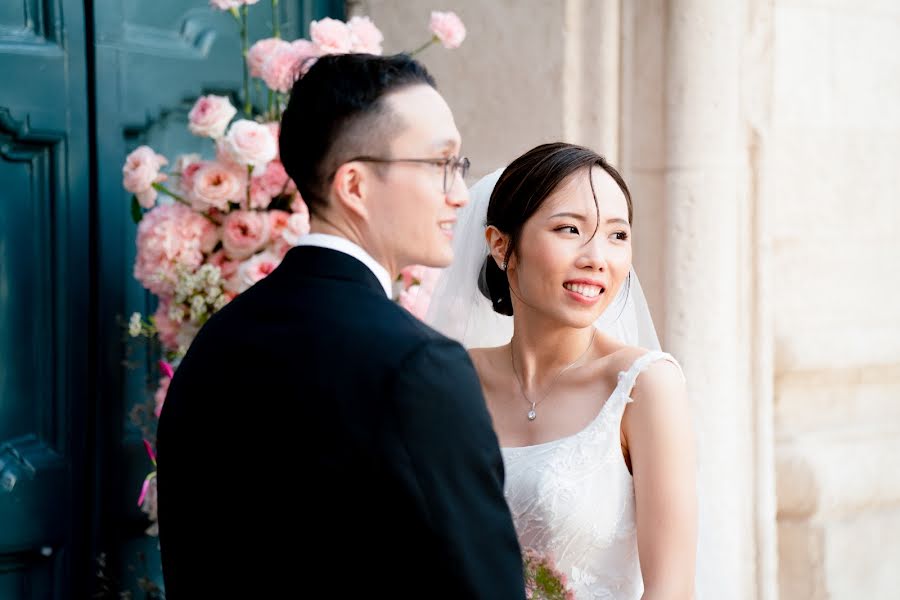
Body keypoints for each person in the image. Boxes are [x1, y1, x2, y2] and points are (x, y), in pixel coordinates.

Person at [156, 53, 525, 599]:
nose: (461, 193)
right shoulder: (418, 366)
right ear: (354, 185)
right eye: (441, 163)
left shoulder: (216, 343)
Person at [425, 143, 699, 599]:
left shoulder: (643, 386)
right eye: (570, 229)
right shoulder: (452, 382)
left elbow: (672, 589)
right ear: (500, 244)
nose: (597, 257)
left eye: (617, 235)